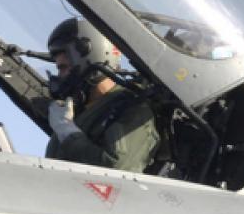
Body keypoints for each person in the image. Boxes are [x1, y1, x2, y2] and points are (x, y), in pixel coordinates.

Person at [44, 18, 160, 172]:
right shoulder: (78, 113)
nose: (60, 76)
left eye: (63, 67)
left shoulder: (133, 111)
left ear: (90, 59)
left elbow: (115, 169)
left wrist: (67, 132)